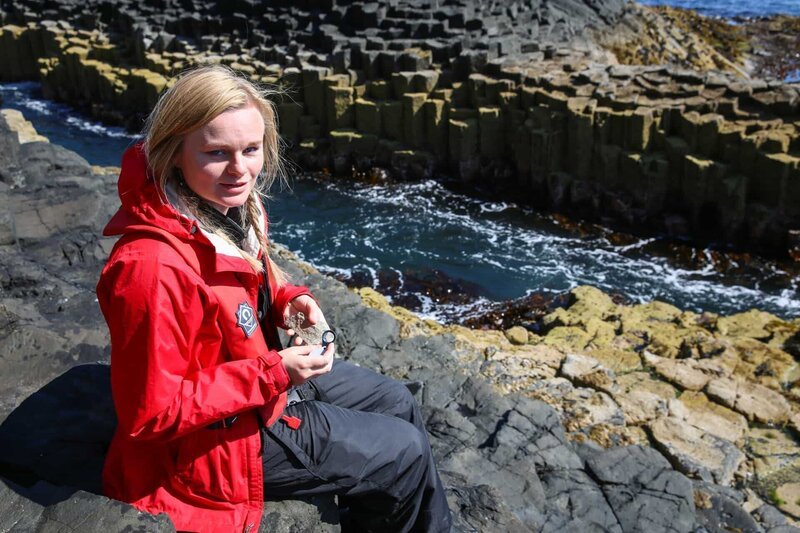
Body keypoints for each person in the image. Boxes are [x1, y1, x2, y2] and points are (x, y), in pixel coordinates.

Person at [96, 65, 452, 533]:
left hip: (258, 380)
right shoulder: (150, 267)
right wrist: (275, 372)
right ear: (173, 152)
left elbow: (247, 282)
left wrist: (289, 298)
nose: (240, 169)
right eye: (216, 152)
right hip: (215, 446)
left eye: (251, 149)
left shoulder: (233, 208)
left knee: (397, 401)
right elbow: (151, 413)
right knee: (404, 451)